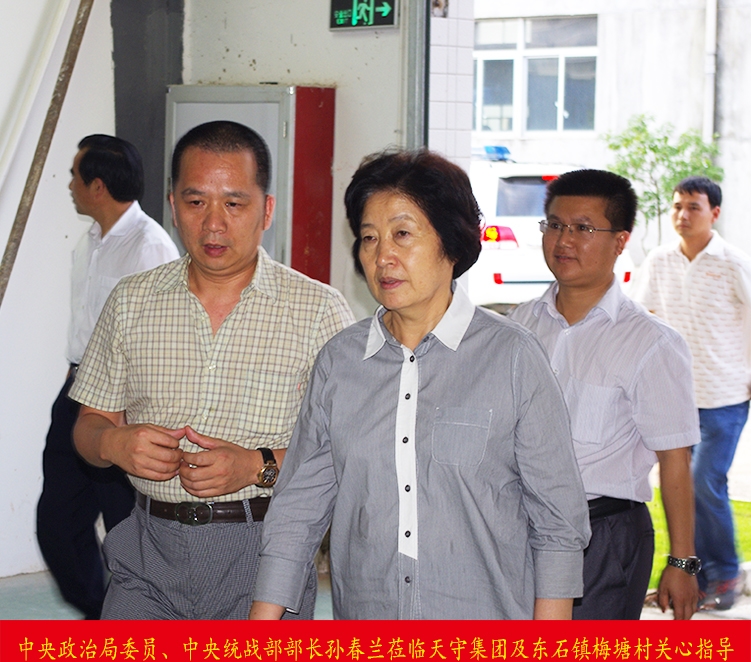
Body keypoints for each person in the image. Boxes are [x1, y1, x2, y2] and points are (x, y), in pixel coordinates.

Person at [250, 149, 590, 620]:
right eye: (369, 237)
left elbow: (557, 524)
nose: (382, 256)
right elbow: (297, 512)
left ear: (451, 243)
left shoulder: (512, 357)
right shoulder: (340, 363)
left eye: (402, 234)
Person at [69, 120, 354, 619]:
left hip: (265, 556)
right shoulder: (132, 301)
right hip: (147, 558)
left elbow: (348, 452)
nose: (214, 224)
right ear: (172, 204)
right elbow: (89, 426)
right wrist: (114, 443)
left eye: (234, 204)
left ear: (267, 210)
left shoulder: (318, 312)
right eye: (196, 201)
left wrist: (256, 466)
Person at [509, 169, 701, 620]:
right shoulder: (518, 326)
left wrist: (682, 562)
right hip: (519, 529)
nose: (564, 240)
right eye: (555, 225)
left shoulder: (651, 343)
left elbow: (675, 460)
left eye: (583, 228)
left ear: (620, 241)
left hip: (603, 537)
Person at [36, 134, 179, 619]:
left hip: (124, 406)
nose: (69, 186)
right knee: (57, 523)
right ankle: (101, 617)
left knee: (123, 526)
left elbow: (163, 339)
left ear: (97, 185)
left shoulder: (150, 247)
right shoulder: (91, 243)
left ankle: (132, 625)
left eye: (74, 176)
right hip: (77, 392)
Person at [633, 176, 751, 610]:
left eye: (693, 207)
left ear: (714, 213)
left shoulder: (733, 262)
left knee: (705, 481)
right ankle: (690, 578)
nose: (682, 215)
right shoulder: (660, 260)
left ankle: (726, 574)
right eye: (677, 207)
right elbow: (643, 314)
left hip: (725, 394)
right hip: (674, 396)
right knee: (678, 486)